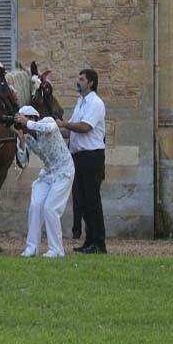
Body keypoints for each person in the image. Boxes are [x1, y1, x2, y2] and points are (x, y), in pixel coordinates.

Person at [15, 106, 75, 258]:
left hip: (64, 170)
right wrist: (21, 142)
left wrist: (27, 123)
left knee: (50, 208)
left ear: (32, 118)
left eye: (23, 121)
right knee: (35, 206)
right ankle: (31, 248)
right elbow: (23, 162)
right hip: (48, 173)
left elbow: (52, 127)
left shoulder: (46, 122)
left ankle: (56, 250)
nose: (23, 127)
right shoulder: (27, 136)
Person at [58, 69, 107, 254]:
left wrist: (63, 124)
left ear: (91, 83)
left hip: (92, 157)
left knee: (92, 200)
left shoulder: (95, 103)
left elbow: (85, 127)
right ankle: (89, 241)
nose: (77, 82)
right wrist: (52, 131)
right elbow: (70, 130)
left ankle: (99, 243)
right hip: (78, 156)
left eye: (81, 79)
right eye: (78, 78)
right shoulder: (80, 102)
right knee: (82, 201)